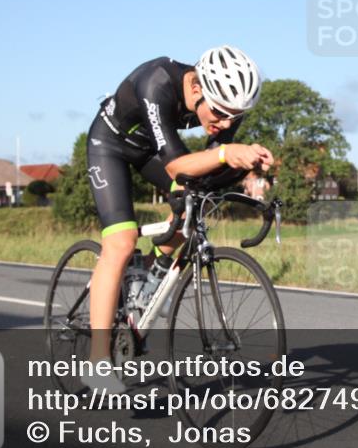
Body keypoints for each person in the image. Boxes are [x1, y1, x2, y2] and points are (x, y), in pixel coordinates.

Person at [82, 46, 273, 393]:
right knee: (122, 242)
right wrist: (229, 152)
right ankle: (97, 362)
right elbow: (177, 165)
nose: (226, 123)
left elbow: (212, 169)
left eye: (235, 116)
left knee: (194, 204)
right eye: (220, 113)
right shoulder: (157, 82)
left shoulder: (226, 104)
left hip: (147, 151)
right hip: (109, 145)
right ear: (198, 89)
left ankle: (149, 275)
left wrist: (246, 167)